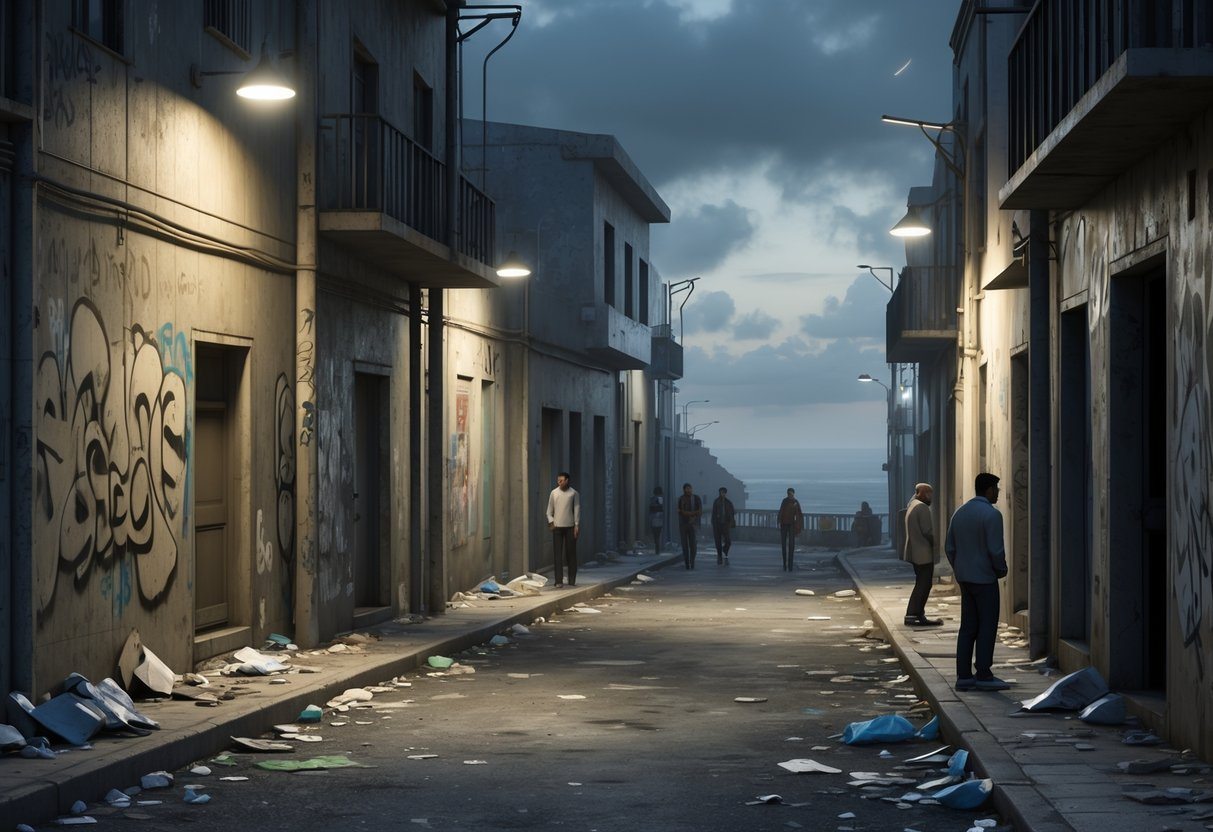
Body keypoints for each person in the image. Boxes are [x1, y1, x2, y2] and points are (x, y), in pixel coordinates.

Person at [945, 472, 1010, 692]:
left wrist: (959, 569)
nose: (998, 493)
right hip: (985, 578)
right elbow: (995, 550)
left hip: (965, 578)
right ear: (989, 489)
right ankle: (983, 673)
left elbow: (950, 547)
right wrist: (1001, 569)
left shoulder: (960, 513)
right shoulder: (992, 515)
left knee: (968, 627)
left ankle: (963, 675)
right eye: (997, 489)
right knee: (987, 626)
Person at [902, 483, 942, 627]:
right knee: (924, 584)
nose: (931, 496)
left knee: (921, 583)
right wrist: (935, 544)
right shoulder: (922, 507)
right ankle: (914, 614)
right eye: (929, 493)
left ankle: (917, 614)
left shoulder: (912, 505)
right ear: (921, 493)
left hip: (914, 551)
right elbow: (927, 531)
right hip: (923, 552)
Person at [545, 471, 580, 588]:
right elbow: (549, 511)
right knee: (557, 555)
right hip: (557, 527)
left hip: (570, 527)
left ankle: (571, 580)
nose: (559, 482)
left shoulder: (573, 493)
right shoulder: (554, 493)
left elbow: (577, 509)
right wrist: (551, 522)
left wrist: (576, 525)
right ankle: (558, 580)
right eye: (558, 480)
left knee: (571, 554)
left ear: (567, 480)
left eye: (561, 480)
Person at [677, 482, 702, 570]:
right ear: (684, 490)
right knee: (685, 545)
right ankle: (687, 562)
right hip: (683, 524)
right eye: (686, 488)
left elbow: (699, 511)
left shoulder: (696, 498)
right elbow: (680, 511)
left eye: (689, 488)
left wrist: (693, 517)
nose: (688, 490)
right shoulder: (681, 499)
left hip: (693, 525)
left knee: (693, 545)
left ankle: (692, 561)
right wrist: (690, 514)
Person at [777, 487, 804, 572]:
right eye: (789, 494)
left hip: (792, 525)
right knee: (784, 545)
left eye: (791, 494)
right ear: (787, 494)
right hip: (784, 525)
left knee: (791, 546)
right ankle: (785, 565)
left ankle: (790, 566)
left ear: (793, 494)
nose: (790, 495)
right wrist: (779, 521)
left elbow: (799, 514)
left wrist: (798, 526)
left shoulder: (795, 502)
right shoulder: (784, 501)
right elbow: (781, 511)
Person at [711, 487, 736, 565]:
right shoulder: (716, 502)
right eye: (722, 492)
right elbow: (713, 514)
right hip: (717, 524)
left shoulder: (728, 502)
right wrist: (713, 523)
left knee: (728, 541)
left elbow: (732, 513)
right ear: (719, 493)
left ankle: (724, 550)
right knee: (717, 541)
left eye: (724, 492)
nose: (723, 494)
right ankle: (719, 556)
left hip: (725, 524)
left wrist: (732, 522)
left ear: (725, 493)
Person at [647, 487, 665, 555]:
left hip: (652, 518)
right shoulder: (660, 498)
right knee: (658, 534)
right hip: (659, 518)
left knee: (655, 534)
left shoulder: (652, 498)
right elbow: (660, 506)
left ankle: (656, 548)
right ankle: (657, 549)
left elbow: (650, 509)